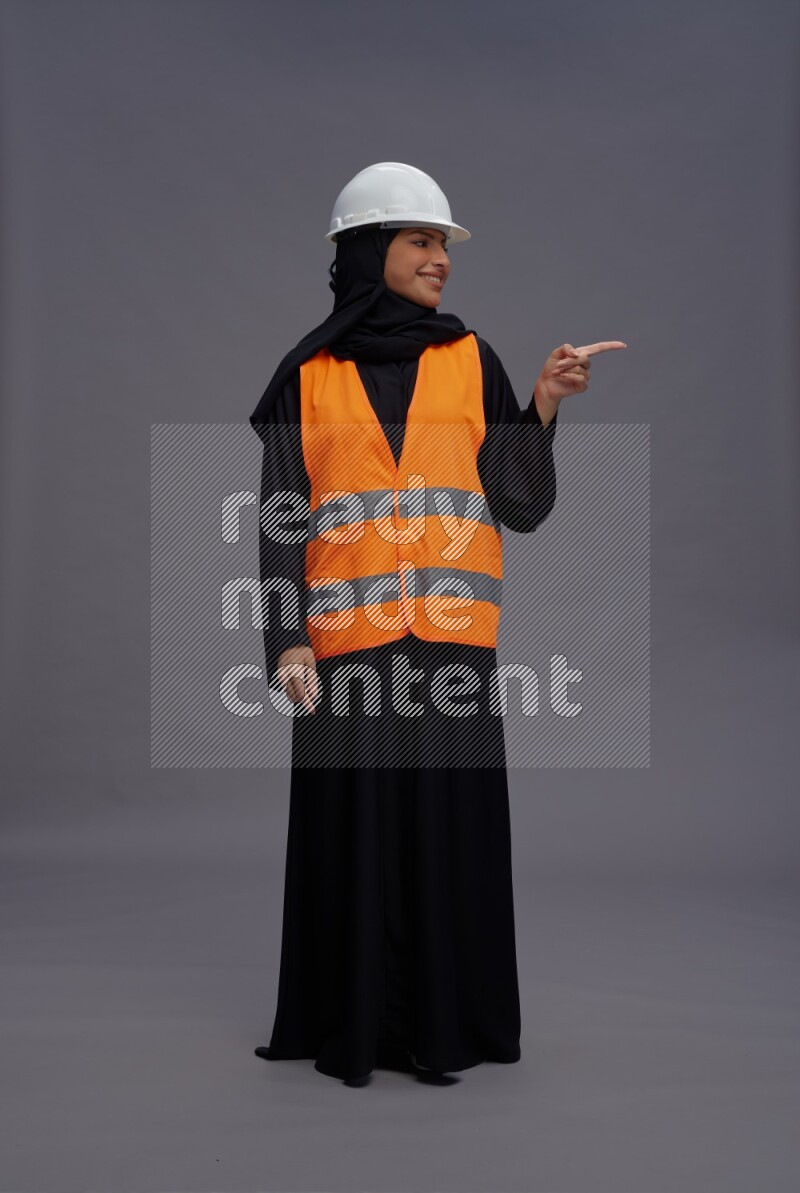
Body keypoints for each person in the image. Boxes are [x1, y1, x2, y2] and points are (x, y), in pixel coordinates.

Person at [249, 162, 627, 1085]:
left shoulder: (472, 360)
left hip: (450, 649)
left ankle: (446, 1027)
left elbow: (518, 501)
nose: (439, 261)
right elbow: (281, 516)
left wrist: (542, 405)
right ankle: (357, 1027)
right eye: (420, 241)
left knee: (446, 834)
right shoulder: (308, 376)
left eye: (441, 245)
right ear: (369, 251)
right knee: (356, 836)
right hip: (344, 655)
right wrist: (285, 637)